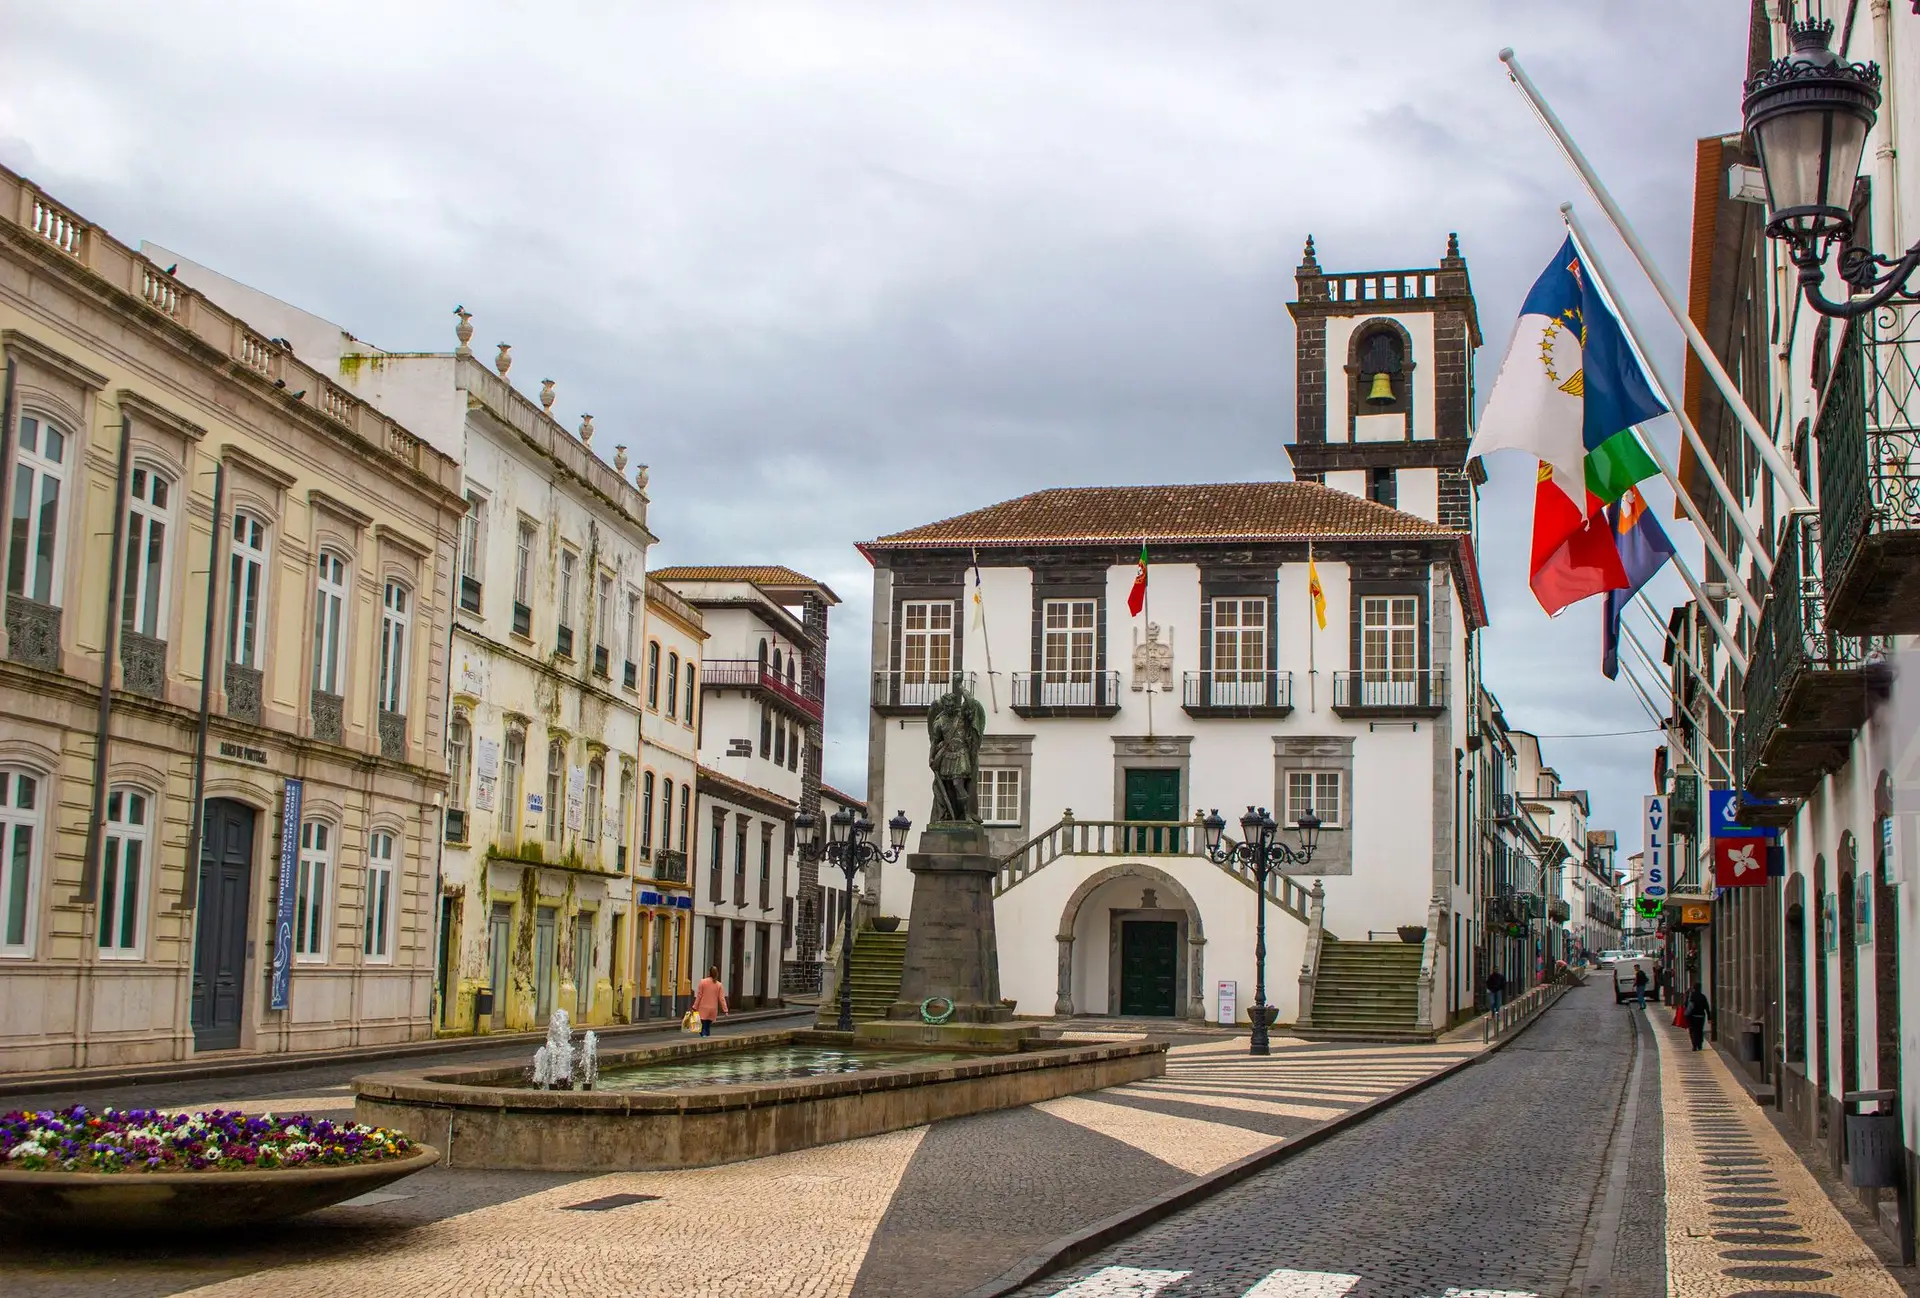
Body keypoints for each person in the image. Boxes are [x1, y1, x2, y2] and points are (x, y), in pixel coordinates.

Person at [693, 965, 728, 1038]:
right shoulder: (719, 985)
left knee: (702, 1027)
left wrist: (694, 1007)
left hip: (703, 1008)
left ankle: (704, 1037)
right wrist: (725, 1010)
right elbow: (722, 999)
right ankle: (707, 1038)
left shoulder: (703, 982)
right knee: (707, 1026)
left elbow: (699, 996)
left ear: (709, 972)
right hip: (713, 1009)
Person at [1684, 984, 1713, 1051]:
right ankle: (1700, 1045)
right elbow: (1707, 1007)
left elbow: (1689, 1007)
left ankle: (1694, 1045)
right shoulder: (1703, 997)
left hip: (1692, 1017)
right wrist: (1709, 1017)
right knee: (1699, 1030)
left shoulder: (1692, 997)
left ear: (1693, 988)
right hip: (1701, 1016)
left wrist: (1686, 1015)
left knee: (1692, 1031)